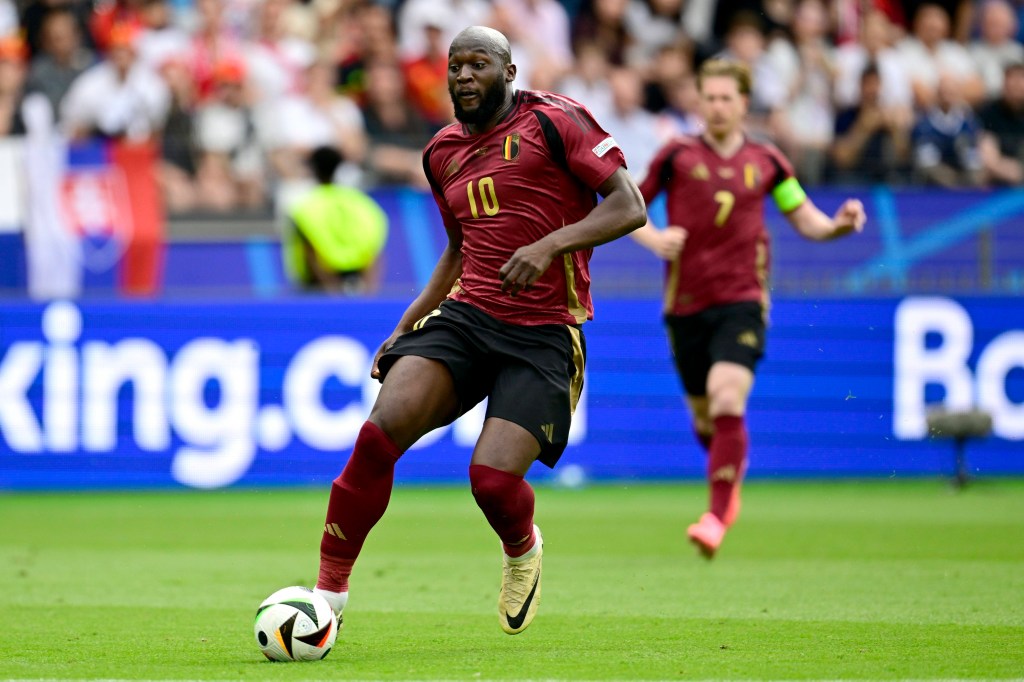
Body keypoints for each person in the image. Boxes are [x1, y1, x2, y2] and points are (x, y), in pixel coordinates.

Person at [312, 26, 646, 635]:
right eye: (455, 66)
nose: (464, 76)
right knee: (378, 435)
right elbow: (457, 250)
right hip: (468, 317)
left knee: (490, 481)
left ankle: (523, 547)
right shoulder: (441, 152)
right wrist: (404, 326)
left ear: (509, 71)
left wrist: (548, 246)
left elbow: (630, 206)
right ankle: (326, 597)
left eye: (479, 64)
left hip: (545, 331)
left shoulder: (556, 121)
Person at [630, 59, 866, 559]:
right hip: (684, 305)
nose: (717, 107)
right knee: (706, 418)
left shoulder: (768, 161)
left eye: (726, 98)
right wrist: (654, 239)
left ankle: (716, 516)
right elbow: (628, 205)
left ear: (743, 103)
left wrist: (839, 225)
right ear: (698, 102)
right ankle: (729, 475)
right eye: (709, 98)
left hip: (743, 300)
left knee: (726, 397)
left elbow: (806, 218)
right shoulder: (676, 155)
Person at [284, 145, 388, 294]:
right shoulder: (362, 203)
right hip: (357, 280)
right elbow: (373, 248)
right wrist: (368, 294)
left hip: (319, 288)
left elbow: (311, 253)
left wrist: (333, 293)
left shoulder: (305, 207)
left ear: (313, 169)